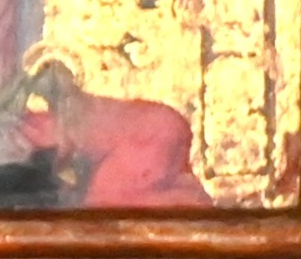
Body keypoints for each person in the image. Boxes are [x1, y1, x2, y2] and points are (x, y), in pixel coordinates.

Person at [16, 61, 207, 205]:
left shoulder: (63, 117)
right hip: (162, 124)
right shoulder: (73, 108)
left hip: (148, 135)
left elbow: (63, 147)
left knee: (102, 207)